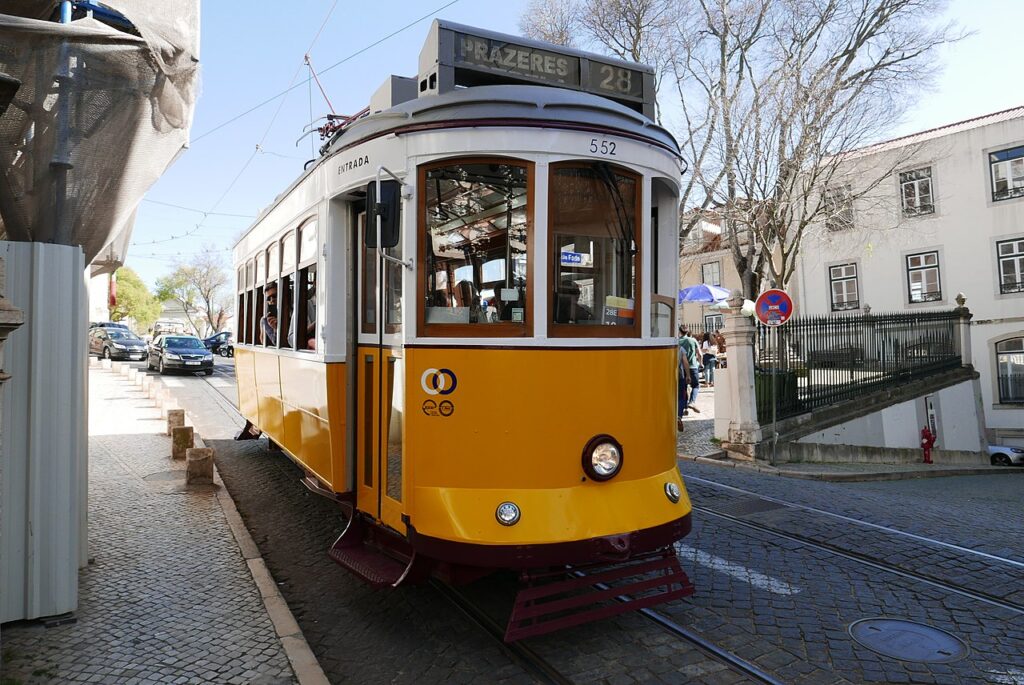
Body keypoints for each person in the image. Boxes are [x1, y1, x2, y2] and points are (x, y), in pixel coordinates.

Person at [678, 327, 700, 428]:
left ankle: (684, 408)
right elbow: (699, 352)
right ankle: (692, 402)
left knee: (683, 390)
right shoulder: (693, 340)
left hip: (680, 369)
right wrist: (701, 362)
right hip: (692, 366)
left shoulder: (678, 342)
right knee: (695, 386)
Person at [260, 281, 278, 346]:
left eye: (274, 296)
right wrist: (276, 328)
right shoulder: (266, 320)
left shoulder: (292, 312)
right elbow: (276, 342)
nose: (272, 300)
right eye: (268, 298)